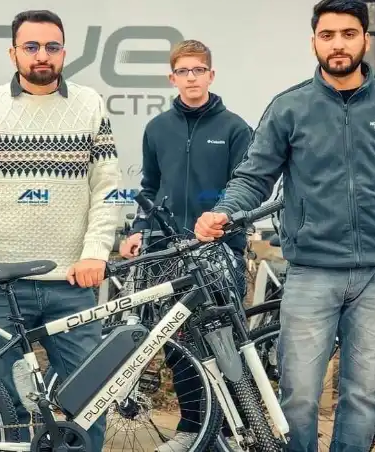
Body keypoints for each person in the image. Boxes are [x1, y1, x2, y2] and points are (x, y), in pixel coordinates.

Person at [194, 0, 375, 451]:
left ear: (365, 38)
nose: (338, 44)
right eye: (327, 35)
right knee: (299, 396)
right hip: (311, 272)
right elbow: (255, 176)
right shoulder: (290, 107)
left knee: (363, 395)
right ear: (314, 43)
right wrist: (225, 211)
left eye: (349, 34)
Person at [0, 9, 120, 451]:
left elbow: (107, 189)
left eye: (52, 46)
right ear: (13, 52)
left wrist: (97, 252)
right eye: (31, 46)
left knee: (91, 398)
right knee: (3, 405)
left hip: (72, 282)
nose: (42, 55)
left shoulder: (90, 104)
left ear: (64, 52)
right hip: (0, 284)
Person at [119, 39, 252, 452]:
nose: (191, 78)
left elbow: (246, 188)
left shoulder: (235, 128)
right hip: (168, 251)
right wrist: (140, 228)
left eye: (199, 70)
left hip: (218, 250)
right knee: (178, 347)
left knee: (224, 342)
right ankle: (192, 429)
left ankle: (233, 432)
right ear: (171, 77)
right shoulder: (157, 129)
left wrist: (229, 238)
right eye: (183, 71)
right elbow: (149, 187)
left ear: (211, 75)